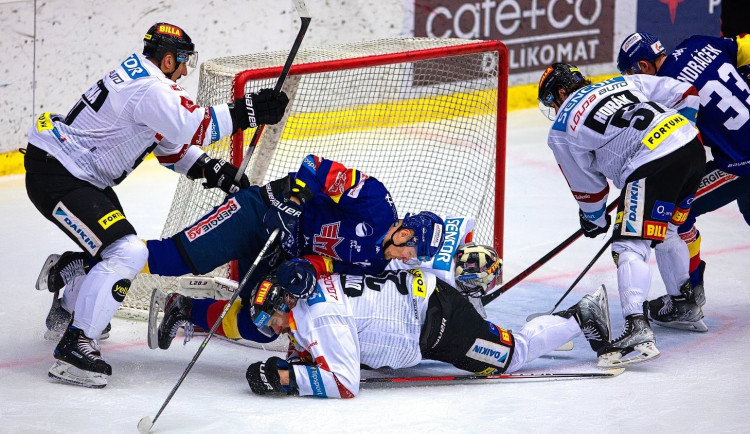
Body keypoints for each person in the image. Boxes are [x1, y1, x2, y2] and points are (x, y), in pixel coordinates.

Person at [26, 22, 289, 388]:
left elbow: (170, 144)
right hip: (60, 175)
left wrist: (212, 169)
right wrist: (249, 110)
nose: (184, 71)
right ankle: (75, 344)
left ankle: (69, 299)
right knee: (126, 252)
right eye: (182, 62)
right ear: (167, 60)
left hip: (75, 172)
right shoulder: (151, 87)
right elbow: (192, 126)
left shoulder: (140, 77)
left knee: (116, 249)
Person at [41, 154, 446, 347]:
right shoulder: (374, 200)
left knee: (263, 323)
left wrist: (304, 269)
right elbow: (315, 167)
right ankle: (76, 264)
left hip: (279, 250)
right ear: (406, 229)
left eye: (415, 257)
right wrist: (293, 201)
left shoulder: (377, 260)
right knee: (171, 258)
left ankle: (182, 308)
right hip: (259, 214)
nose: (410, 258)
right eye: (413, 248)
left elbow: (326, 260)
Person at [537, 62, 704, 366]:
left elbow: (588, 187)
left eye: (551, 100)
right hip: (691, 146)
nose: (553, 107)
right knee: (666, 230)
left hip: (652, 162)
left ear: (562, 91)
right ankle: (684, 304)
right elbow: (685, 92)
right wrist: (678, 134)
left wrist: (594, 218)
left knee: (628, 245)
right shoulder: (623, 82)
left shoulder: (562, 125)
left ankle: (637, 329)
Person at [241, 267, 610, 398]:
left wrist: (289, 380)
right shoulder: (310, 295)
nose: (267, 329)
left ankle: (581, 315)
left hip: (443, 327)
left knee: (510, 357)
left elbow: (344, 384)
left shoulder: (321, 321)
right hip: (425, 299)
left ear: (284, 303)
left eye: (265, 320)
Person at [616, 31, 750, 331]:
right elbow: (746, 46)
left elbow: (673, 147)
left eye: (631, 74)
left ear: (644, 66)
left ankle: (688, 297)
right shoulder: (700, 43)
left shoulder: (667, 89)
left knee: (677, 211)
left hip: (744, 162)